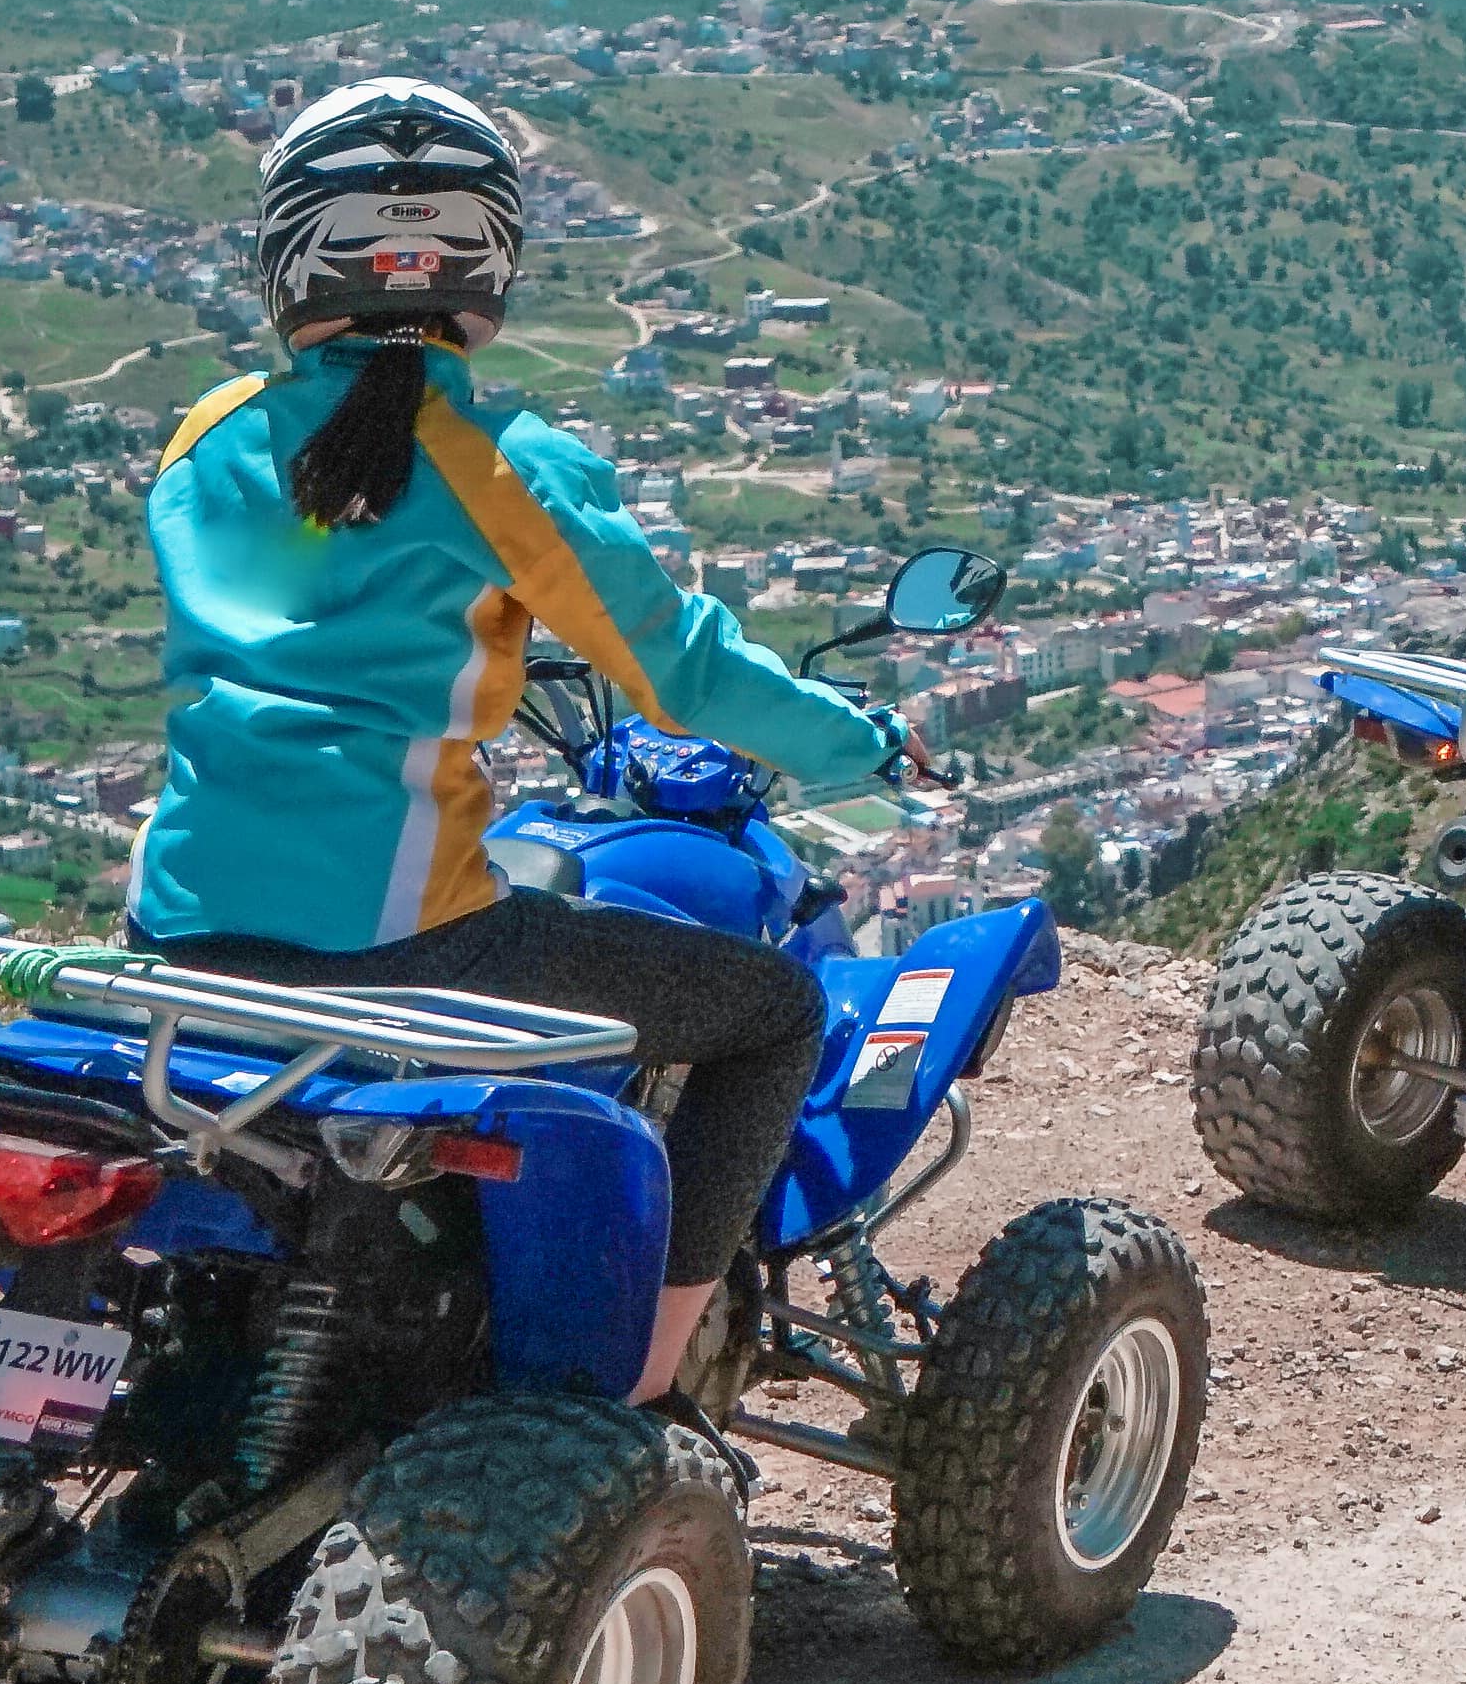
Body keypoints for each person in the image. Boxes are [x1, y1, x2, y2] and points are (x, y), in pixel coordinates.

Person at [130, 77, 903, 1403]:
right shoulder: (502, 462)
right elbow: (678, 667)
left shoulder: (209, 437)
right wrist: (863, 741)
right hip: (395, 947)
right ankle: (645, 1387)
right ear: (486, 259)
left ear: (290, 251)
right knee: (772, 1017)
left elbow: (312, 602)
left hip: (171, 929)